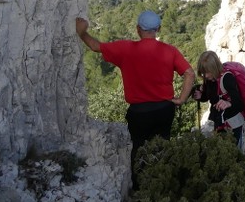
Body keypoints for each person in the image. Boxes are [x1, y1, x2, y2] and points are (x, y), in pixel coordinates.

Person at [75, 11, 195, 189]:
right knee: (163, 145)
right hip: (165, 109)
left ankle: (140, 189)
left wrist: (82, 32)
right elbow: (189, 73)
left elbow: (95, 46)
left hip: (139, 111)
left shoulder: (126, 49)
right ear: (158, 29)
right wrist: (181, 98)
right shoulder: (170, 51)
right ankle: (164, 186)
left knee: (138, 148)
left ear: (138, 29)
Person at [194, 50, 245, 144]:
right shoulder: (209, 79)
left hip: (232, 125)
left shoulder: (227, 78)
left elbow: (240, 104)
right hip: (218, 122)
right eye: (203, 73)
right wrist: (201, 96)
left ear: (214, 68)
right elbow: (210, 97)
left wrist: (228, 103)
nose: (205, 75)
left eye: (207, 72)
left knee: (231, 154)